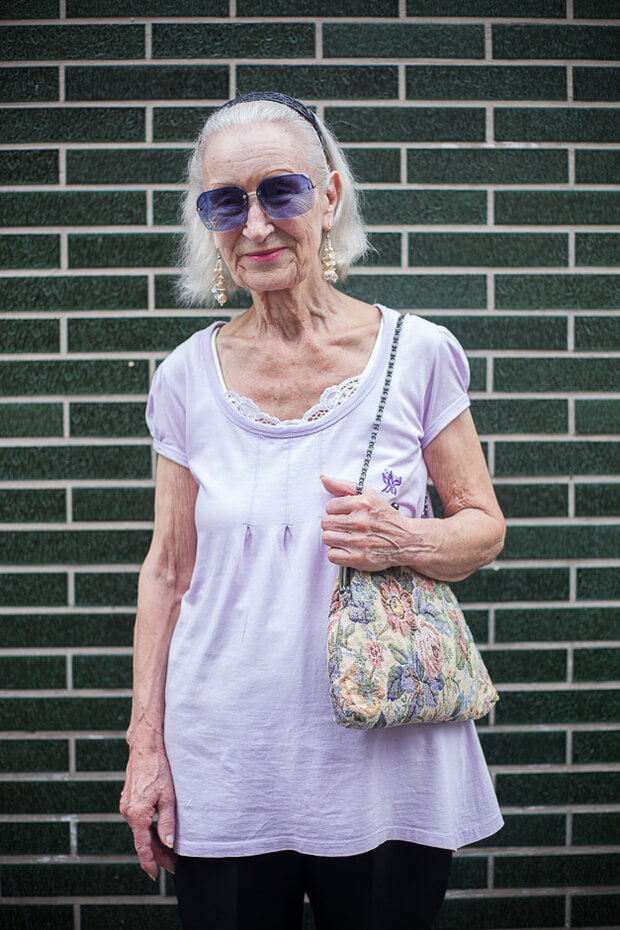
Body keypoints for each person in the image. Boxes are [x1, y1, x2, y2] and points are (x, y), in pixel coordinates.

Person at [120, 91, 506, 930]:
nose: (256, 223)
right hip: (223, 755)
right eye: (227, 201)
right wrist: (144, 747)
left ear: (328, 198)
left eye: (280, 192)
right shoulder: (184, 376)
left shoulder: (418, 351)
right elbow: (168, 570)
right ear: (210, 224)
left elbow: (483, 525)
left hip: (383, 755)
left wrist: (403, 536)